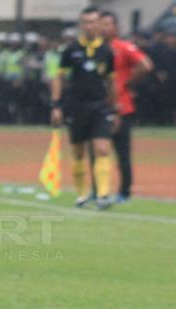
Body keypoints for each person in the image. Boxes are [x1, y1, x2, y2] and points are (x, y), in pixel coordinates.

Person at [50, 6, 117, 209]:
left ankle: (103, 195)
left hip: (99, 106)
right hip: (76, 106)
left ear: (99, 24)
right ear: (81, 25)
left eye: (93, 21)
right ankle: (81, 194)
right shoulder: (71, 50)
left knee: (102, 149)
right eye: (86, 22)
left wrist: (114, 107)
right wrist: (56, 105)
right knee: (78, 152)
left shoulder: (106, 51)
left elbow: (110, 81)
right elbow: (59, 78)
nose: (90, 26)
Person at [99, 11, 153, 203]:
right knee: (97, 150)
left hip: (121, 106)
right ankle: (98, 190)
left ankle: (124, 191)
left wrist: (128, 83)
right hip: (97, 106)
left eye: (107, 24)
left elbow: (145, 65)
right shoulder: (93, 49)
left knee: (122, 151)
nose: (102, 28)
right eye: (100, 24)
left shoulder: (122, 47)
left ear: (115, 28)